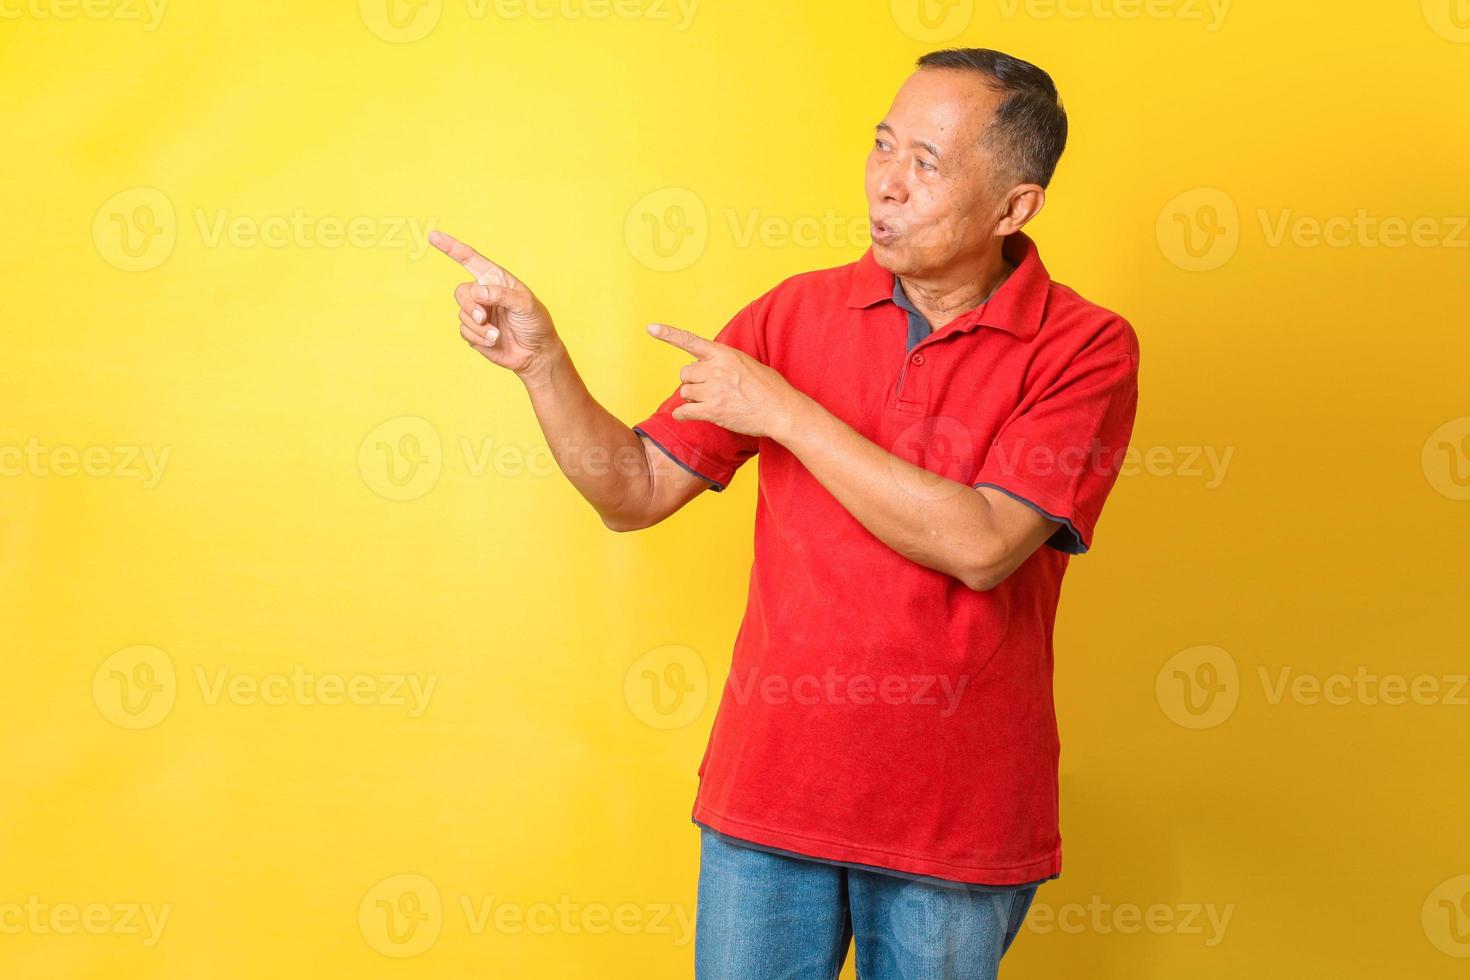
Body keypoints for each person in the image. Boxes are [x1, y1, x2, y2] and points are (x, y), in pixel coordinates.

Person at [429, 46, 1139, 980]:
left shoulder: (1084, 346)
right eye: (882, 147)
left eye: (926, 164)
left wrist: (780, 410)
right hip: (771, 795)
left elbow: (984, 544)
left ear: (1014, 206)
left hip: (955, 821)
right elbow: (632, 490)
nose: (887, 185)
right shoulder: (793, 315)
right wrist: (542, 363)